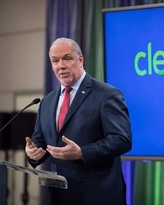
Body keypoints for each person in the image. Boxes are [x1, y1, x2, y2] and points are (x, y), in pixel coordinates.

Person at [25, 37, 132, 205]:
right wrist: (33, 153)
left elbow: (121, 140)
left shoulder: (106, 94)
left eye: (67, 58)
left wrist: (83, 152)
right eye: (55, 60)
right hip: (59, 194)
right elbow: (41, 141)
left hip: (97, 194)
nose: (61, 65)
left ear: (80, 60)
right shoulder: (47, 101)